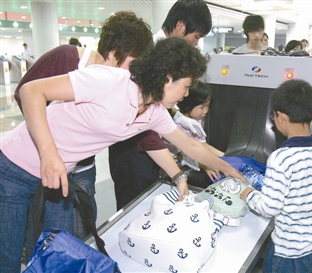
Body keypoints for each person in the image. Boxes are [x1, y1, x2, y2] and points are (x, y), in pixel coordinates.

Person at [0, 37, 245, 273]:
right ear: (168, 79)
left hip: (58, 179)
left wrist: (228, 169)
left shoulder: (154, 112)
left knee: (55, 252)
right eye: (186, 86)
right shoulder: (110, 81)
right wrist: (50, 155)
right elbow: (32, 91)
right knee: (8, 256)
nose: (186, 94)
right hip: (13, 169)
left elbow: (191, 147)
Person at [13, 11, 154, 246]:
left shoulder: (125, 82)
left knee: (81, 235)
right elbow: (25, 93)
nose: (133, 72)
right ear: (113, 53)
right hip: (45, 162)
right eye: (132, 63)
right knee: (43, 235)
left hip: (83, 168)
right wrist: (48, 141)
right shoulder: (65, 59)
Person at [109, 0, 213, 211]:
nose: (196, 43)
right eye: (197, 36)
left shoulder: (172, 53)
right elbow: (138, 107)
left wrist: (175, 115)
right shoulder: (147, 52)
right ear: (180, 26)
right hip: (131, 146)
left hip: (152, 141)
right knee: (133, 204)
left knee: (150, 199)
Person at [239, 79, 312, 273]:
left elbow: (270, 207)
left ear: (280, 117)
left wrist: (249, 194)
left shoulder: (281, 158)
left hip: (290, 251)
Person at [166, 81, 225, 182]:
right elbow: (182, 153)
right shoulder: (177, 124)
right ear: (189, 105)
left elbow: (203, 145)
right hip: (169, 166)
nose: (206, 111)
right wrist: (206, 165)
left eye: (207, 106)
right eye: (202, 107)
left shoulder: (196, 120)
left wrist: (226, 158)